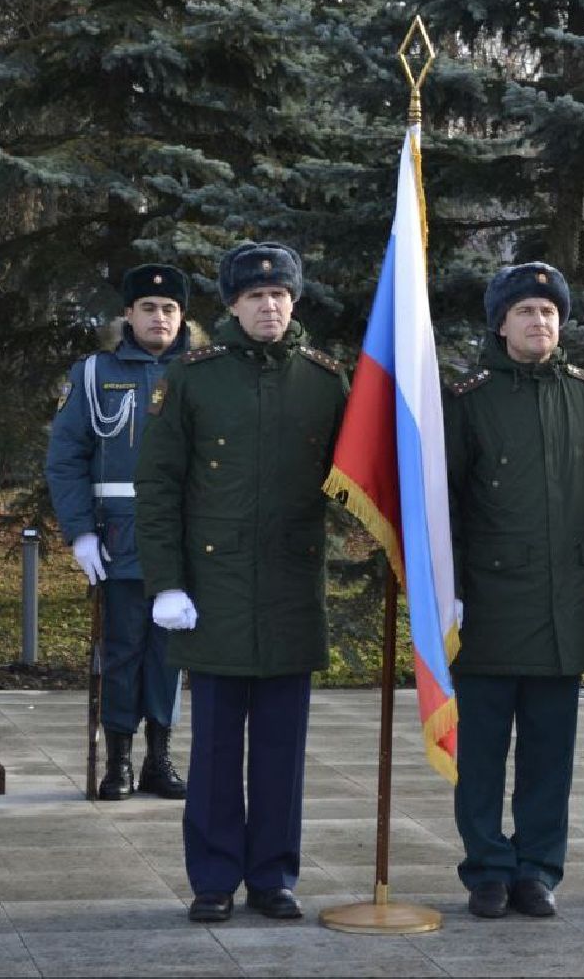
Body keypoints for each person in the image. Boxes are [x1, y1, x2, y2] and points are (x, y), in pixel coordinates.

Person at [136, 242, 348, 923]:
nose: (269, 306)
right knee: (216, 749)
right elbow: (158, 485)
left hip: (290, 587)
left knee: (283, 750)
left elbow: (357, 479)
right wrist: (166, 582)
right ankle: (214, 878)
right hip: (215, 588)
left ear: (295, 301)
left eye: (279, 295)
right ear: (232, 304)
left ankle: (273, 877)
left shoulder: (325, 381)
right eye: (255, 296)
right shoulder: (194, 379)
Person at [445, 262, 584, 920]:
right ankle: (487, 870)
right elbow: (444, 505)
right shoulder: (468, 400)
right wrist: (449, 590)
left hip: (563, 603)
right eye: (526, 312)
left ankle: (537, 869)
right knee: (481, 755)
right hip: (487, 606)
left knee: (549, 756)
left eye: (549, 312)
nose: (539, 322)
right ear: (500, 325)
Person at [46, 264, 194, 801]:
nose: (160, 318)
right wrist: (80, 532)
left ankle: (160, 757)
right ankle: (119, 761)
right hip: (118, 539)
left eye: (170, 308)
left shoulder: (202, 372)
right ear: (128, 314)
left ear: (183, 316)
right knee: (123, 650)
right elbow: (66, 458)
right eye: (148, 308)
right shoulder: (93, 374)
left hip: (184, 539)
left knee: (170, 653)